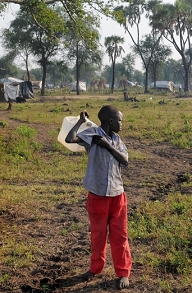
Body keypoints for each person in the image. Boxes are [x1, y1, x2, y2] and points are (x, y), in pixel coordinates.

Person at [65, 105, 132, 290]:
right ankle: (95, 268)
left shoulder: (116, 140)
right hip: (97, 195)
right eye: (119, 120)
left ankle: (123, 272)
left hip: (118, 194)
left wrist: (108, 146)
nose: (121, 124)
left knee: (120, 235)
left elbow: (125, 160)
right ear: (110, 121)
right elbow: (69, 139)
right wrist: (80, 122)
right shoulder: (93, 135)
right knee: (98, 235)